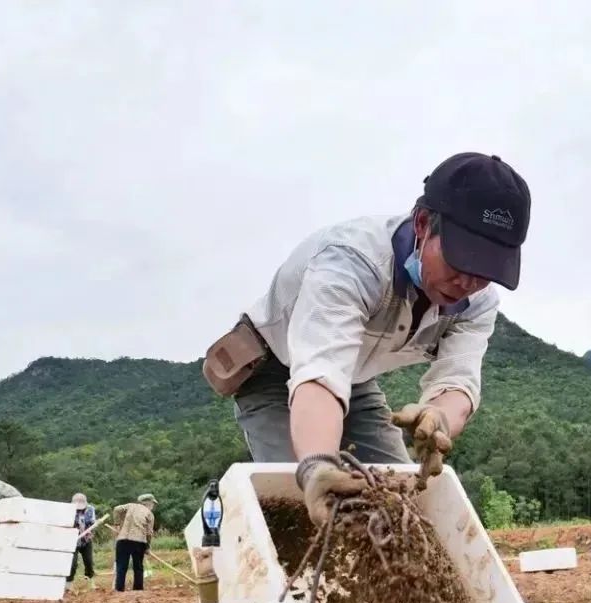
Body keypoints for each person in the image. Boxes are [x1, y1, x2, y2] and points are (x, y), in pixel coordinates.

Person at [201, 152, 531, 526]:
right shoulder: (350, 263)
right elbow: (321, 373)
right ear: (423, 224)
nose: (469, 282)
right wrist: (317, 464)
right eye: (462, 261)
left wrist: (438, 416)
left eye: (486, 271)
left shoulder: (477, 301)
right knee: (299, 503)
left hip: (355, 379)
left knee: (398, 503)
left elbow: (458, 379)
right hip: (277, 370)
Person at [112, 493, 156, 592]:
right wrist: (148, 547)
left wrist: (117, 524)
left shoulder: (130, 506)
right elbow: (149, 533)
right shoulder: (149, 513)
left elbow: (116, 509)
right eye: (153, 503)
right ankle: (138, 589)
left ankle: (119, 589)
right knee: (138, 566)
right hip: (139, 541)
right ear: (148, 503)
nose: (153, 506)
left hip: (122, 539)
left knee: (121, 566)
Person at [66, 492, 97, 590]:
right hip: (72, 540)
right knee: (72, 563)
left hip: (86, 540)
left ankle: (90, 581)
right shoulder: (68, 509)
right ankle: (68, 584)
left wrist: (90, 527)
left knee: (89, 562)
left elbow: (92, 522)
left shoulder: (90, 509)